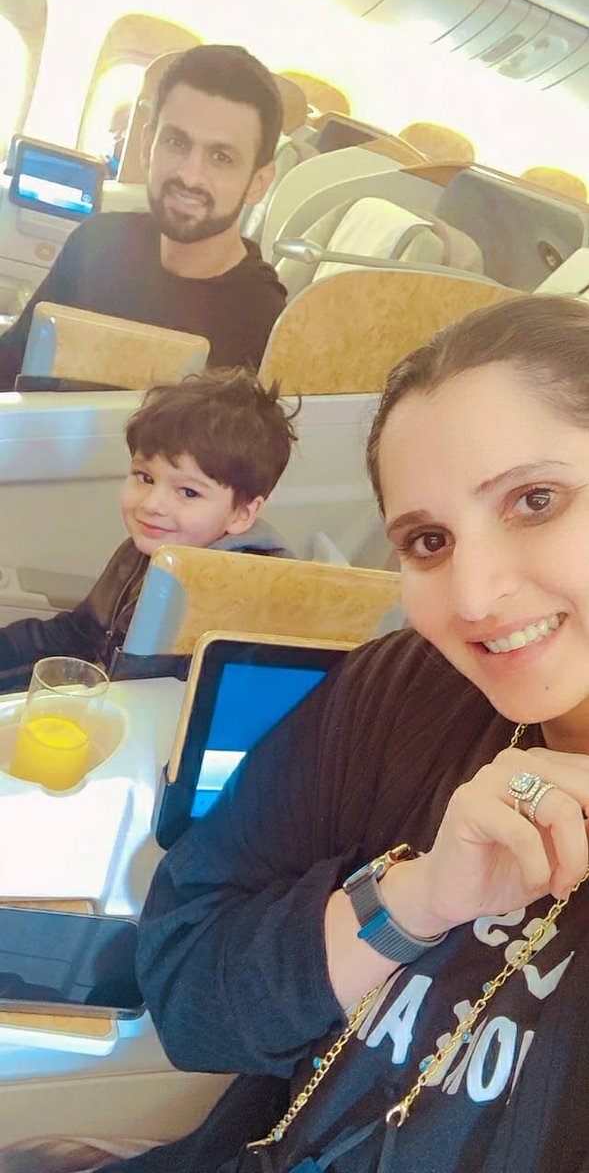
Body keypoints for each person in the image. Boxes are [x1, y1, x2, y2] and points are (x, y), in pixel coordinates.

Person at [8, 293, 589, 1173]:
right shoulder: (405, 689)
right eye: (428, 540)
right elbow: (189, 986)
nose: (473, 597)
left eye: (534, 500)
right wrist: (414, 900)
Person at [0, 46, 287, 388]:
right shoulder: (98, 242)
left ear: (258, 182)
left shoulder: (265, 322)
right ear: (147, 145)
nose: (189, 175)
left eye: (221, 157)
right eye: (176, 142)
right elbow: (10, 362)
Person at [0, 368, 297, 692]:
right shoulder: (144, 551)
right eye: (145, 477)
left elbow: (166, 700)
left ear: (242, 514)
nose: (152, 504)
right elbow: (78, 633)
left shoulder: (238, 599)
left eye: (188, 492)